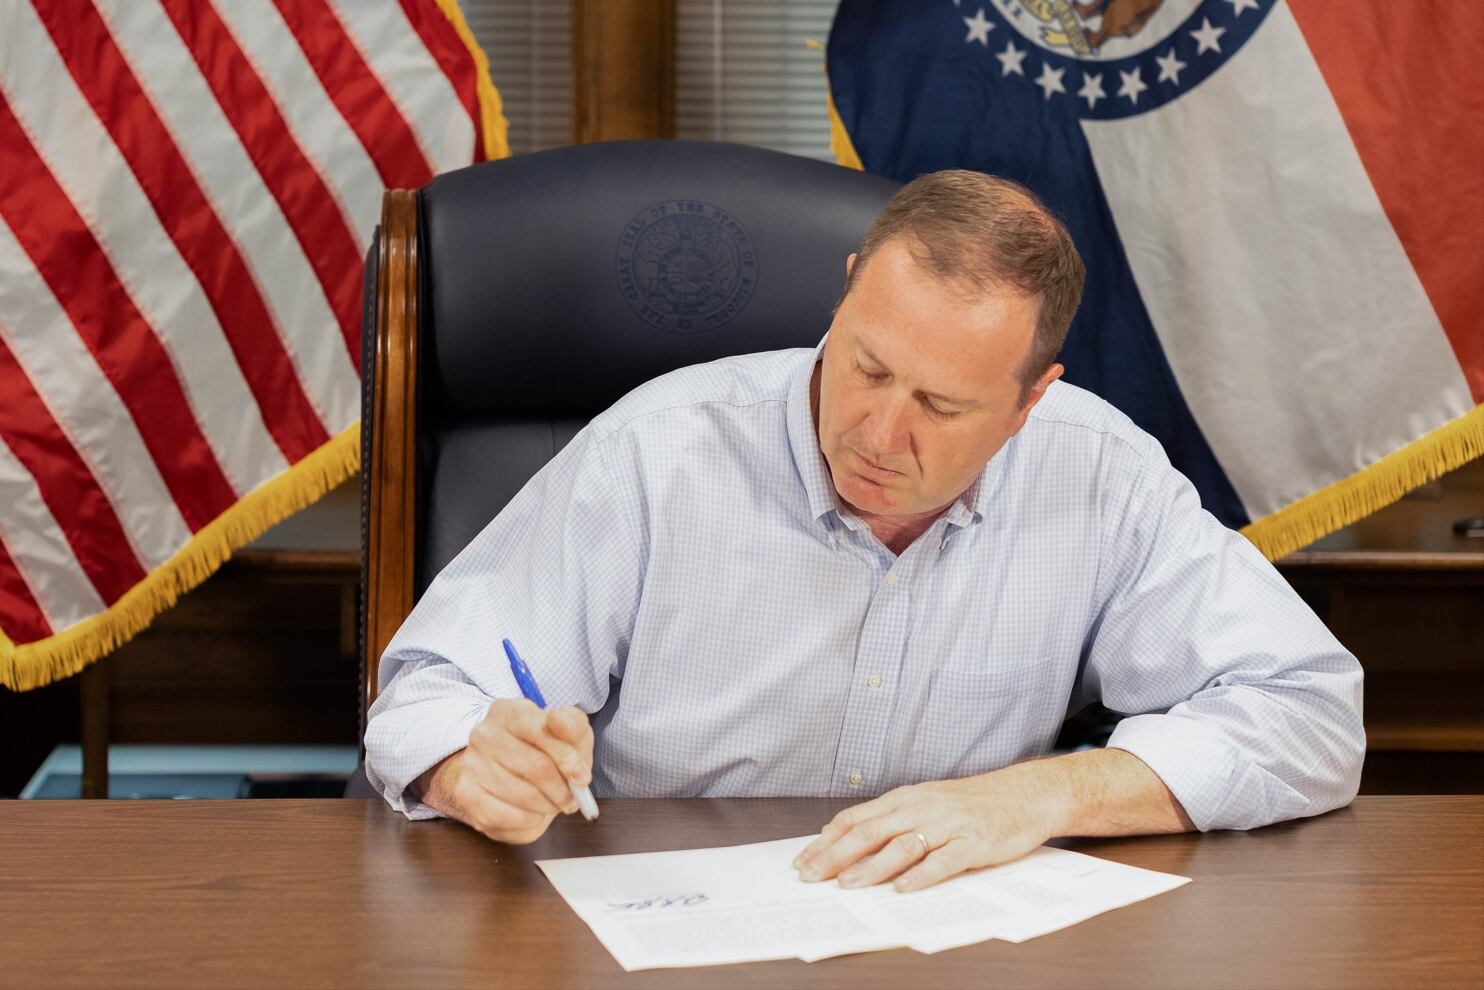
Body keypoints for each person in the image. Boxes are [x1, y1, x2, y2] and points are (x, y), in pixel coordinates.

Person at [365, 170, 1363, 893]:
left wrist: (1040, 799)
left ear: (1027, 404)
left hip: (945, 937)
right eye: (867, 366)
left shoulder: (1096, 473)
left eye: (941, 404)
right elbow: (423, 696)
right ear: (844, 292)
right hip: (662, 920)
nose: (879, 435)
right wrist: (467, 761)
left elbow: (1310, 718)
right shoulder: (654, 452)